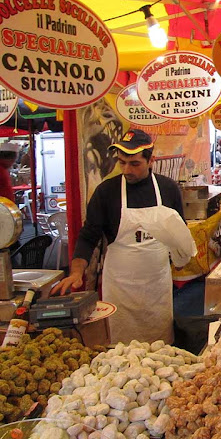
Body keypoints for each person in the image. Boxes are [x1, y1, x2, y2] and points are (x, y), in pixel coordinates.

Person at [51, 129, 196, 344]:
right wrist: (76, 272)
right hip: (121, 284)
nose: (127, 169)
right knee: (120, 342)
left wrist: (181, 257)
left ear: (151, 161)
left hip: (156, 281)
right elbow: (88, 235)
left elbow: (179, 229)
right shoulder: (106, 192)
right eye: (122, 162)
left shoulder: (167, 188)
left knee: (160, 340)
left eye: (134, 164)